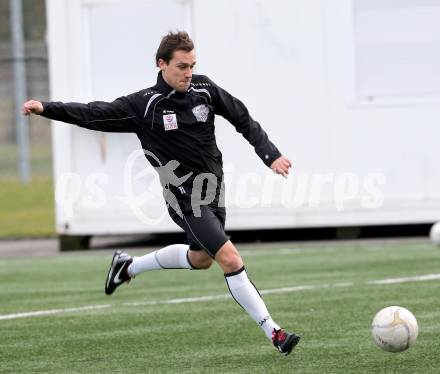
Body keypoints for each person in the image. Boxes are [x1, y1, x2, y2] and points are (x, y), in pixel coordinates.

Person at [23, 31, 300, 355]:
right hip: (183, 198)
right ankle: (275, 332)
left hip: (212, 192)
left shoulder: (205, 90)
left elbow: (242, 118)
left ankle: (127, 267)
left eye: (192, 65)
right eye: (182, 66)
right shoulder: (145, 106)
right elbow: (93, 113)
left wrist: (270, 154)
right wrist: (46, 108)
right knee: (229, 258)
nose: (188, 73)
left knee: (201, 260)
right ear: (162, 64)